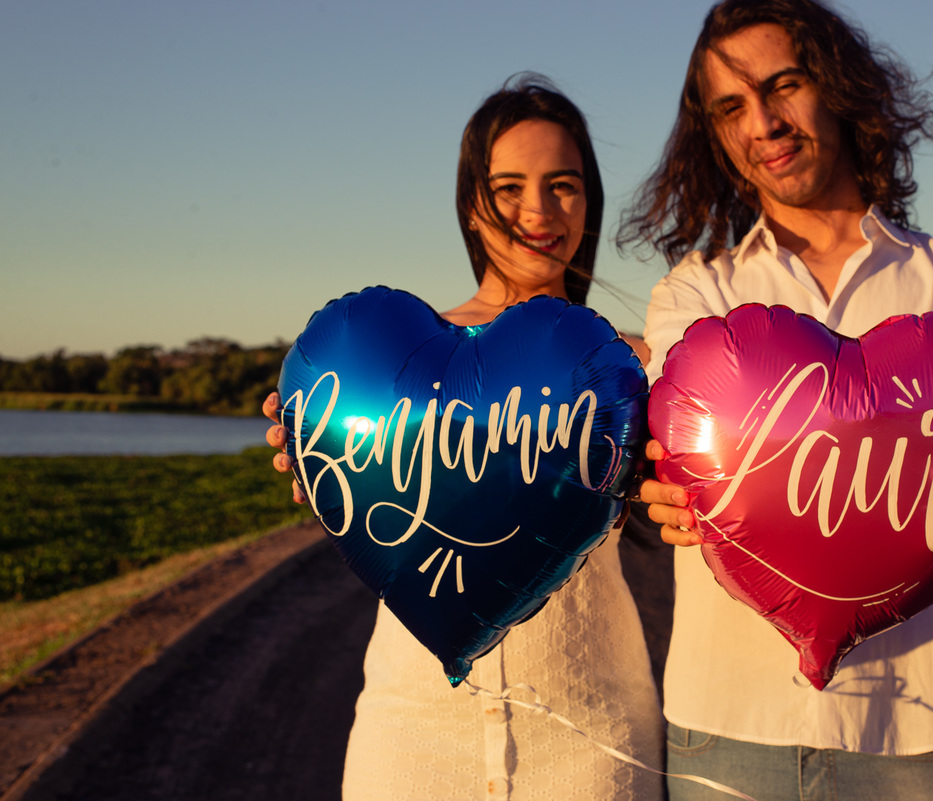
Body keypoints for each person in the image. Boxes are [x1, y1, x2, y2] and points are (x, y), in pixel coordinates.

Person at [619, 1, 933, 799]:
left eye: (782, 86)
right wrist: (663, 491)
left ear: (839, 86)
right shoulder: (696, 292)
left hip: (912, 741)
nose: (763, 124)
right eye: (731, 107)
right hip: (725, 731)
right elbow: (668, 449)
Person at [265, 75, 663, 801]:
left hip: (591, 732)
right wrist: (316, 461)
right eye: (509, 187)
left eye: (563, 185)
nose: (539, 211)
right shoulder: (393, 371)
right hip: (412, 735)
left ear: (589, 202)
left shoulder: (632, 370)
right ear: (472, 205)